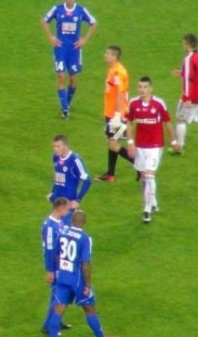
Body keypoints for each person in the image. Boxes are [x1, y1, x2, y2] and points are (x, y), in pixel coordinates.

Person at [45, 210, 120, 337]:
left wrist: (57, 271)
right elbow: (85, 263)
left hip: (63, 277)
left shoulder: (62, 233)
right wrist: (87, 284)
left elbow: (55, 254)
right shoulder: (85, 238)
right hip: (77, 280)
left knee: (58, 309)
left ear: (71, 221)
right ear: (84, 222)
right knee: (90, 308)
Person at [125, 77, 179, 223]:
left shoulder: (159, 104)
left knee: (149, 175)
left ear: (150, 89)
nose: (142, 90)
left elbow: (167, 123)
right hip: (140, 146)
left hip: (155, 146)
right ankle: (153, 203)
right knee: (143, 177)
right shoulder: (133, 103)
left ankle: (147, 210)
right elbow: (129, 123)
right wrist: (130, 142)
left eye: (145, 87)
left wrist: (174, 141)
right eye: (140, 87)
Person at [40, 0, 97, 118]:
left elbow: (93, 23)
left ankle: (67, 103)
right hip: (60, 48)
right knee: (61, 76)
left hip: (74, 49)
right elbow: (44, 21)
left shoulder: (81, 10)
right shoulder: (57, 9)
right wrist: (51, 37)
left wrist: (84, 39)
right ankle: (65, 109)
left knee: (73, 79)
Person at [96, 46, 135, 182]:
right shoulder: (113, 69)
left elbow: (120, 93)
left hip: (116, 114)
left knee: (113, 144)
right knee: (112, 141)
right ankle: (110, 174)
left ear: (114, 57)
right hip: (111, 112)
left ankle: (138, 163)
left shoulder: (118, 72)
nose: (105, 55)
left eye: (108, 53)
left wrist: (118, 114)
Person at [171, 33, 198, 159]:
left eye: (183, 43)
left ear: (187, 45)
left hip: (191, 97)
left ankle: (179, 147)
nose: (183, 46)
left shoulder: (188, 59)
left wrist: (187, 98)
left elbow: (188, 81)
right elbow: (197, 75)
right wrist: (182, 72)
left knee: (180, 119)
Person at [41, 198, 72, 335]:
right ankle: (48, 326)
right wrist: (50, 270)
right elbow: (49, 250)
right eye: (67, 209)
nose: (68, 212)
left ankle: (56, 321)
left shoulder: (59, 221)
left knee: (61, 294)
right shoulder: (49, 227)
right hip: (55, 266)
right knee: (57, 296)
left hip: (62, 264)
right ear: (60, 208)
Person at [47, 135, 91, 216]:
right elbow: (58, 177)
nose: (55, 149)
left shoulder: (75, 160)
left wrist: (77, 200)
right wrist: (52, 192)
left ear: (65, 146)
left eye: (58, 146)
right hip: (56, 201)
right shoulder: (56, 158)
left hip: (68, 204)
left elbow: (87, 181)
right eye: (54, 146)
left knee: (66, 224)